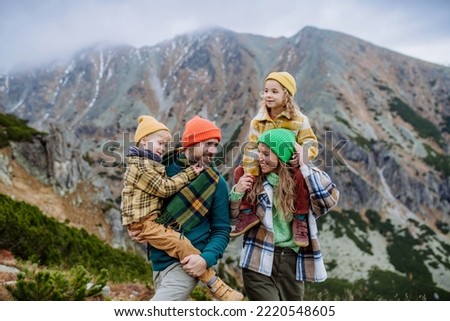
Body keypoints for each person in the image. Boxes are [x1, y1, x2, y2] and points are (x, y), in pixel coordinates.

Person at [122, 115, 243, 301]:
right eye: (208, 144)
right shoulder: (161, 167)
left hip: (187, 264)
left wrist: (205, 259)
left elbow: (221, 230)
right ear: (192, 143)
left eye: (215, 145)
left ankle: (219, 287)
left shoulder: (216, 183)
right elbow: (137, 199)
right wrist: (134, 227)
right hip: (158, 262)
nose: (213, 150)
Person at [230, 128, 339, 301]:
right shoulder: (254, 179)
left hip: (291, 262)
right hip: (257, 258)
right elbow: (233, 219)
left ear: (282, 156)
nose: (260, 158)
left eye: (266, 154)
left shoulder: (301, 183)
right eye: (259, 152)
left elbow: (327, 200)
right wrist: (237, 192)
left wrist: (305, 164)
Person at [232, 71, 319, 248]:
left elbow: (311, 142)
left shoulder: (299, 120)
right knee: (239, 172)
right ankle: (247, 211)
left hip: (288, 167)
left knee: (301, 175)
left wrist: (302, 155)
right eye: (266, 91)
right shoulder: (258, 121)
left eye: (274, 91)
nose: (268, 95)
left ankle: (299, 218)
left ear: (286, 94)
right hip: (265, 164)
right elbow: (252, 146)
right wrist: (251, 172)